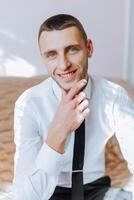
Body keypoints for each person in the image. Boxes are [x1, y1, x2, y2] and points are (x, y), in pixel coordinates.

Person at [13, 14, 134, 200]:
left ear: (89, 48)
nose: (63, 64)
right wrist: (58, 131)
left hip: (96, 188)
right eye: (52, 54)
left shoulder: (114, 96)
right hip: (48, 191)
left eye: (72, 50)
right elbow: (26, 197)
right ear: (43, 58)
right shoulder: (29, 103)